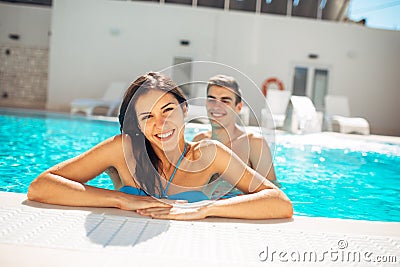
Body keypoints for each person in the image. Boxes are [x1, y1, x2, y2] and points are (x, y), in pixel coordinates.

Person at [28, 72, 292, 220]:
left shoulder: (209, 154)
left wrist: (208, 209)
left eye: (168, 110)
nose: (161, 124)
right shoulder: (124, 149)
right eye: (148, 117)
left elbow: (279, 201)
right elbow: (41, 186)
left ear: (185, 109)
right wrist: (120, 199)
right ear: (138, 124)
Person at [192, 74, 277, 182]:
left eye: (225, 101)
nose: (216, 106)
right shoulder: (198, 141)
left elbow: (272, 192)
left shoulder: (254, 144)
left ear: (238, 107)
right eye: (211, 99)